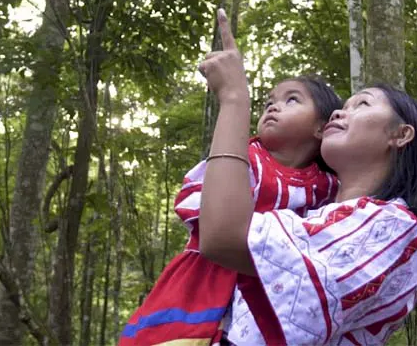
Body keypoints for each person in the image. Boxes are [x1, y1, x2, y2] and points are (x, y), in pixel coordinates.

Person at [196, 9, 417, 345]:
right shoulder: (305, 215)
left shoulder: (397, 228)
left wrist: (234, 99)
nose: (341, 111)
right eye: (344, 106)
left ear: (400, 135)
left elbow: (222, 237)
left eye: (362, 105)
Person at [118, 70, 343, 343]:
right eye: (269, 102)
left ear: (321, 127)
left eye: (292, 100)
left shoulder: (329, 186)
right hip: (203, 279)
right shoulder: (241, 157)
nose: (273, 106)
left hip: (272, 292)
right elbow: (193, 198)